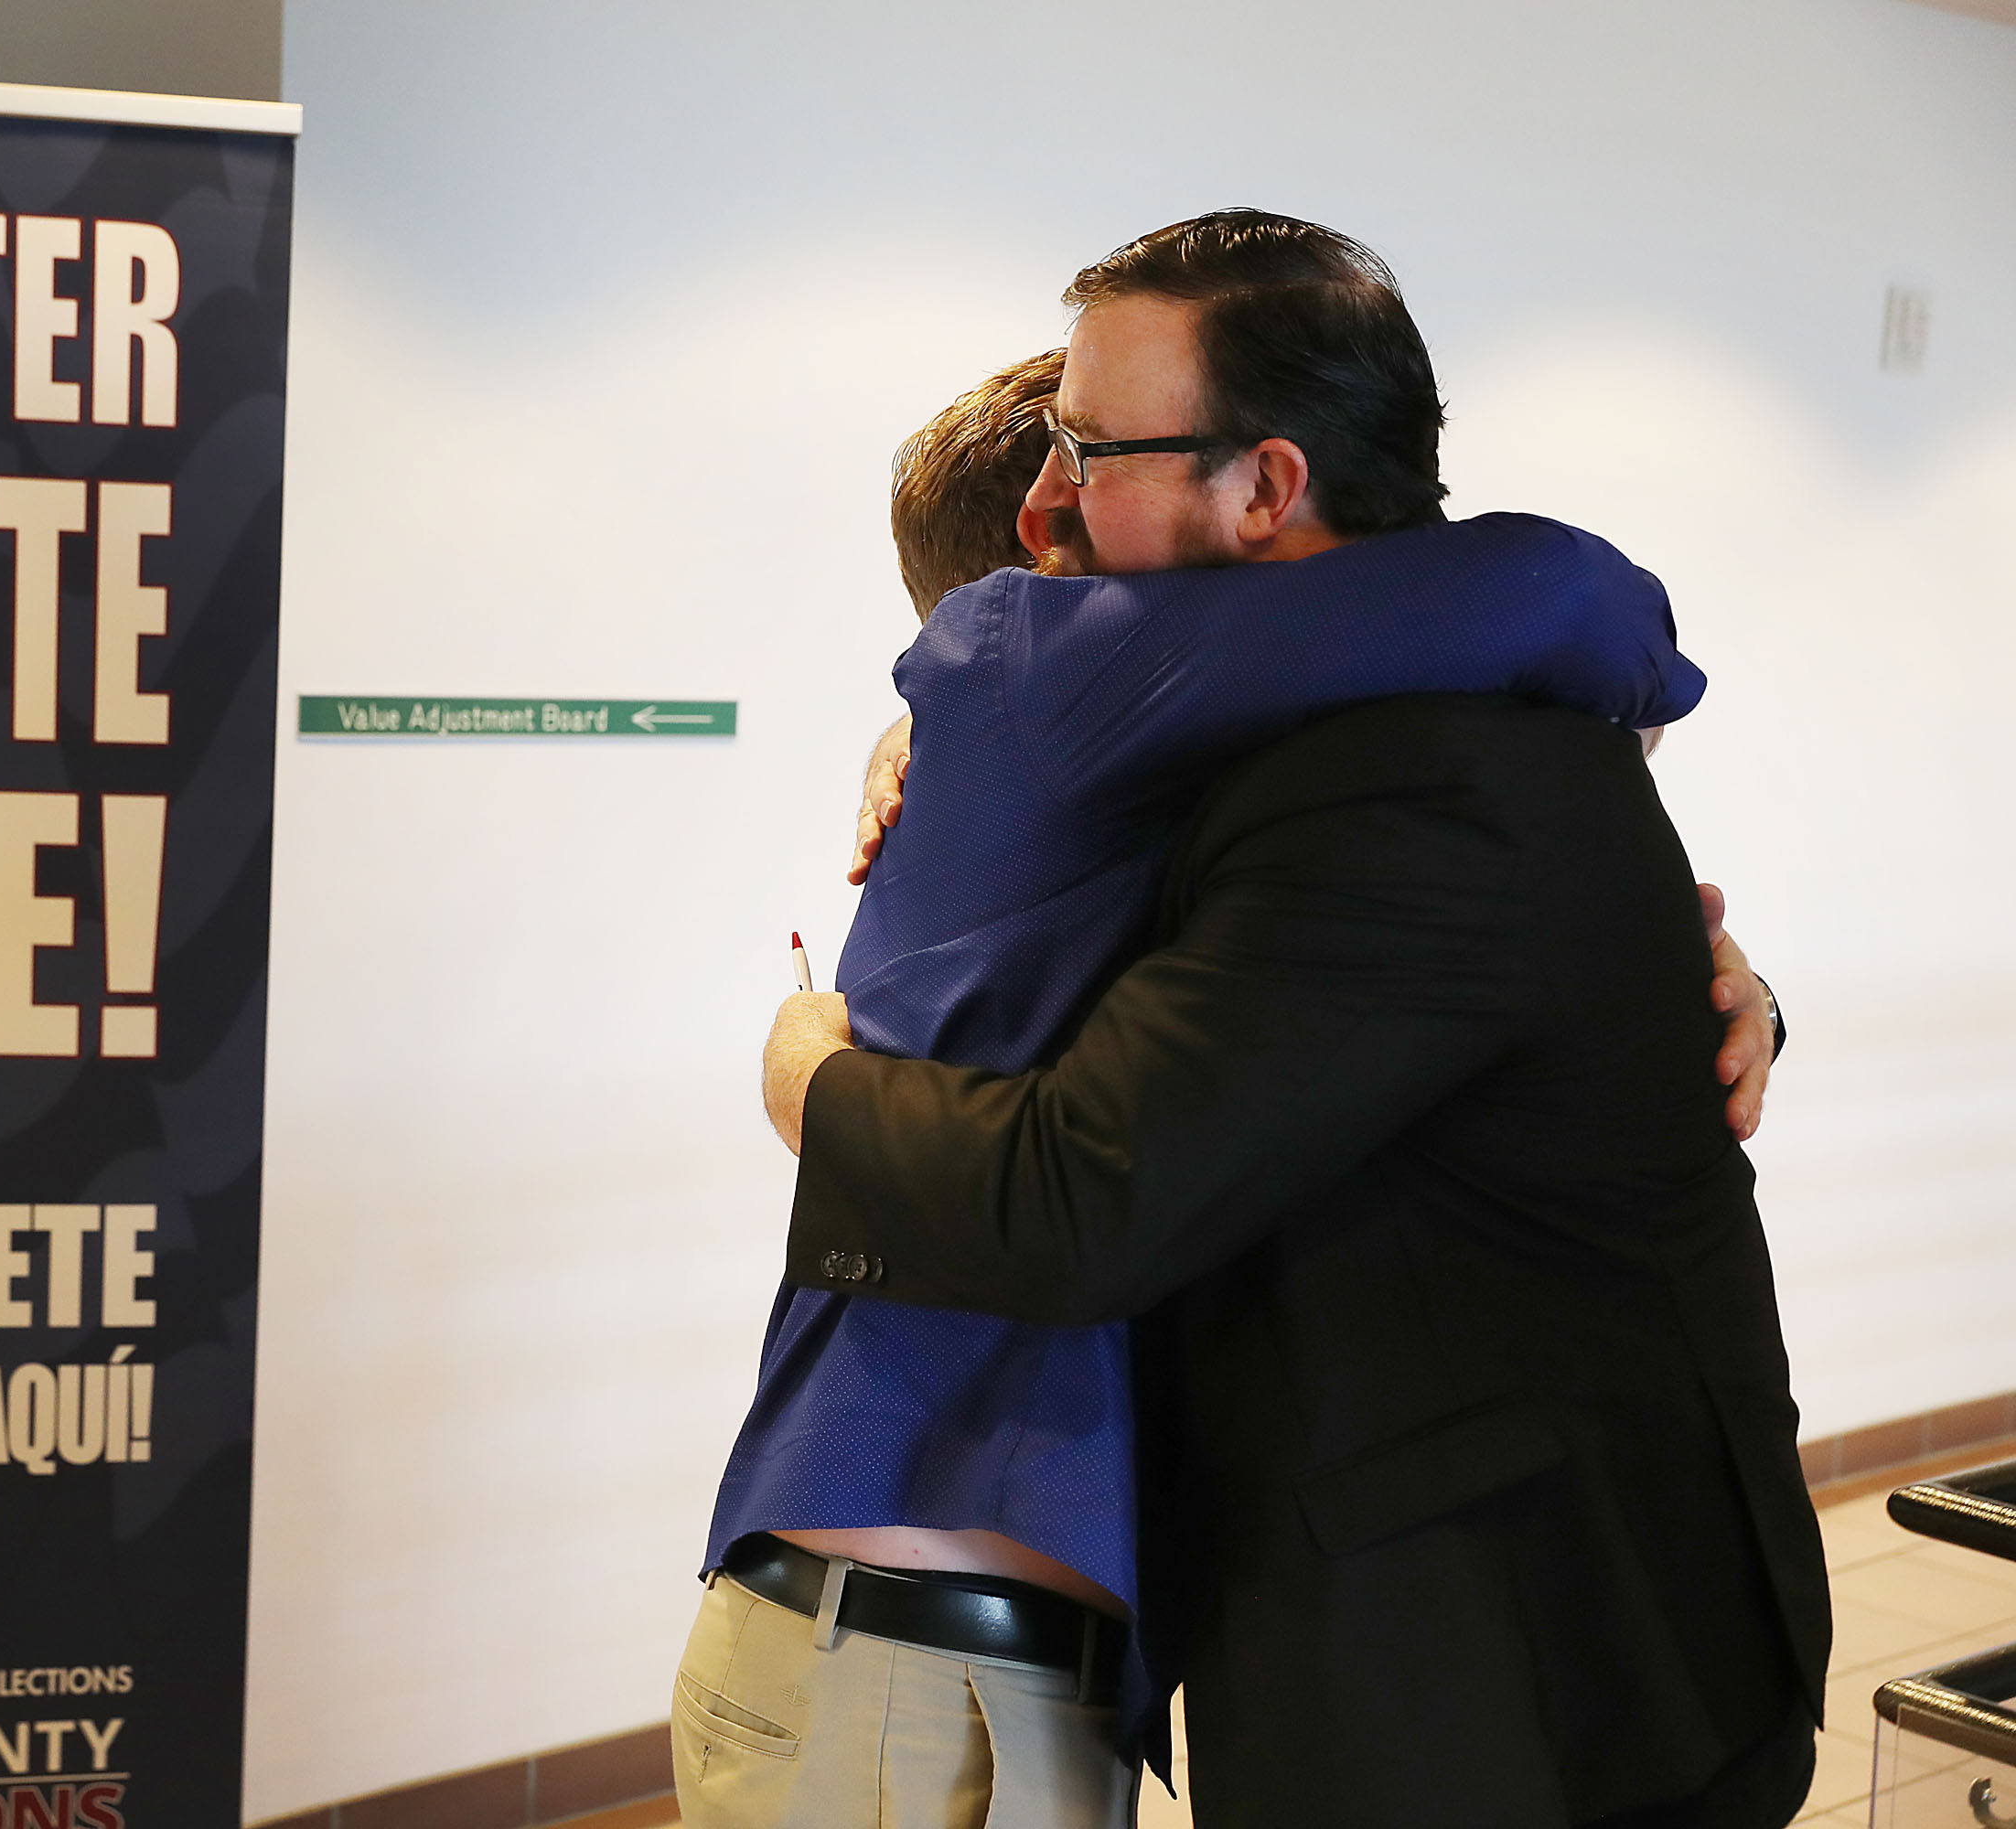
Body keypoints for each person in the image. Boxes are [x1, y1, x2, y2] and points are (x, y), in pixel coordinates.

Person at [683, 220, 1789, 1829]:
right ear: (1034, 539)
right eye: (1059, 450)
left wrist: (1701, 970)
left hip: (1036, 1629)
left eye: (1094, 441)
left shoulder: (1217, 800)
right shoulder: (1017, 656)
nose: (1072, 481)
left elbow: (1403, 959)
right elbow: (1574, 600)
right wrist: (812, 1076)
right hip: (906, 1612)